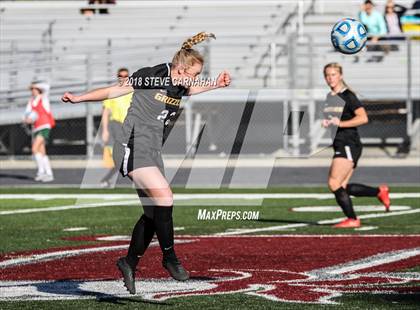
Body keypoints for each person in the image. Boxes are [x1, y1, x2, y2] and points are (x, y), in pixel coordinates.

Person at [62, 32, 231, 294]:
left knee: (154, 215)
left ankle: (128, 262)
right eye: (194, 74)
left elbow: (190, 89)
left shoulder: (180, 83)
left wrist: (216, 84)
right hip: (131, 144)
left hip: (152, 150)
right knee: (165, 197)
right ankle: (170, 258)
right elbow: (114, 90)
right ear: (181, 69)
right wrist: (79, 98)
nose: (195, 80)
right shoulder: (152, 75)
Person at [322, 63, 390, 228]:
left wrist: (341, 123)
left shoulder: (348, 96)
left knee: (333, 183)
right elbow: (335, 119)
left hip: (348, 143)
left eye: (334, 74)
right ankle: (379, 192)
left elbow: (363, 118)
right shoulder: (329, 97)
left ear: (341, 76)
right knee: (342, 187)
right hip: (341, 143)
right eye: (327, 75)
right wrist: (328, 122)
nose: (330, 78)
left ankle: (352, 219)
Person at [100, 68, 132, 188]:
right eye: (121, 76)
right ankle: (106, 179)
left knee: (126, 157)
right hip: (117, 126)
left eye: (125, 76)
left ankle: (106, 179)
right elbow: (105, 112)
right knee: (122, 156)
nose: (123, 78)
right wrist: (105, 130)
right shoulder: (113, 92)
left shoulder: (132, 91)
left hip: (129, 126)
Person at [24, 81, 55, 182]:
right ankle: (49, 173)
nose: (32, 91)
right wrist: (27, 119)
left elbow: (47, 86)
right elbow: (27, 114)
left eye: (34, 89)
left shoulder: (44, 98)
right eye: (32, 89)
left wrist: (34, 85)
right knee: (42, 152)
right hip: (36, 127)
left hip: (45, 125)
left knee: (34, 149)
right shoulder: (31, 101)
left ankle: (41, 172)